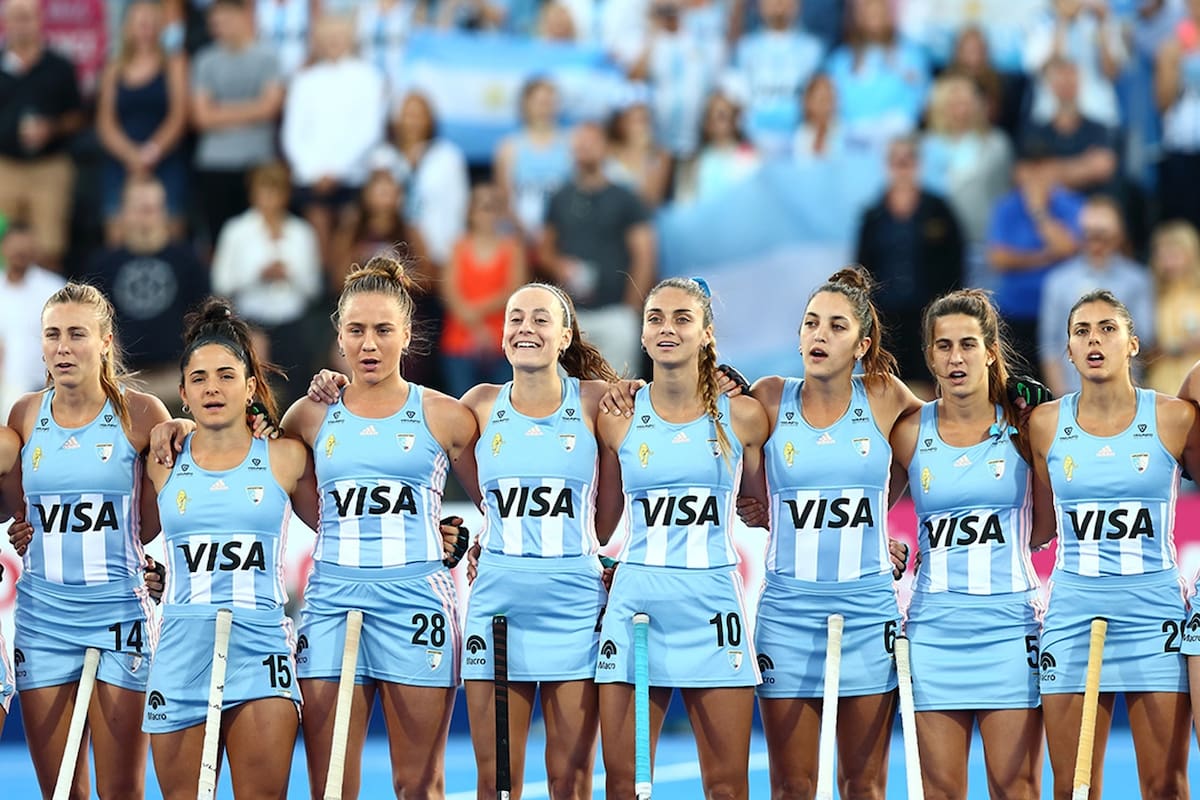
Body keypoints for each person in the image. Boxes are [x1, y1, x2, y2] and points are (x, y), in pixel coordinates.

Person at [278, 256, 480, 799]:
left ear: (407, 334)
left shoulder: (446, 416)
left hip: (417, 601)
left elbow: (499, 500)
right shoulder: (307, 416)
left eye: (384, 330)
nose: (369, 344)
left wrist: (457, 535)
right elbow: (297, 501)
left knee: (419, 784)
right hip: (332, 601)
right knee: (331, 786)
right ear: (339, 336)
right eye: (357, 330)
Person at [742, 267, 922, 799]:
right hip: (787, 614)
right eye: (811, 323)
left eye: (837, 327)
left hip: (867, 612)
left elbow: (946, 436)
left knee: (863, 787)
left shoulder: (886, 396)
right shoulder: (771, 397)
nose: (819, 335)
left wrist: (880, 517)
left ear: (862, 344)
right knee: (792, 787)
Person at [593, 276, 768, 800]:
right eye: (655, 319)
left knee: (727, 787)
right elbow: (598, 523)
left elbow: (766, 508)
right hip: (637, 603)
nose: (667, 329)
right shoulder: (616, 417)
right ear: (643, 336)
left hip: (713, 605)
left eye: (682, 319)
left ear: (707, 333)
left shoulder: (744, 417)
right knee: (623, 784)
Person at [142, 297, 317, 799]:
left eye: (225, 375)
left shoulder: (285, 456)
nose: (212, 387)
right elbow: (126, 532)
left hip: (259, 646)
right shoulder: (160, 458)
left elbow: (341, 522)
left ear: (250, 387)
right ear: (182, 393)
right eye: (198, 379)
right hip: (180, 646)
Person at [1028, 289, 1197, 800]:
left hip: (1154, 610)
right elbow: (1037, 526)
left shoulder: (1175, 418)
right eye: (1081, 331)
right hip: (1074, 612)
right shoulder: (1043, 423)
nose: (1094, 339)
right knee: (1073, 787)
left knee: (1165, 784)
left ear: (1132, 344)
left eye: (1107, 328)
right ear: (1069, 350)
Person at [458, 282, 625, 798]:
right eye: (515, 318)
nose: (525, 328)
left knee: (570, 780)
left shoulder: (598, 400)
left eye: (540, 319)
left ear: (565, 335)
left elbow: (606, 517)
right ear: (503, 334)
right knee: (496, 782)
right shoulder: (479, 404)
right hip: (498, 603)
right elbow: (481, 491)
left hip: (573, 604)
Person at [7, 282, 170, 799]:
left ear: (104, 341)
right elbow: (16, 508)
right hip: (42, 618)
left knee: (121, 790)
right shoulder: (24, 415)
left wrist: (159, 568)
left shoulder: (141, 415)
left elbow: (161, 518)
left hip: (118, 612)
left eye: (77, 334)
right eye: (52, 335)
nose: (62, 347)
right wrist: (19, 526)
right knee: (60, 792)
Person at [890, 289, 1054, 799]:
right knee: (941, 791)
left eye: (967, 344)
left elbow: (1044, 530)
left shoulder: (1028, 425)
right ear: (930, 355)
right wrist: (878, 543)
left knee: (1016, 788)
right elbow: (861, 502)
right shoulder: (909, 431)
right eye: (943, 346)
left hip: (1010, 627)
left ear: (989, 350)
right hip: (934, 630)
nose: (955, 357)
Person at [539, 121, 656, 376]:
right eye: (579, 144)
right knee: (565, 396)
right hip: (572, 317)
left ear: (606, 148)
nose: (585, 149)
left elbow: (644, 253)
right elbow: (544, 249)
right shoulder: (560, 197)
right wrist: (560, 265)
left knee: (620, 391)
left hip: (616, 311)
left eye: (591, 143)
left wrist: (631, 308)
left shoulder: (625, 197)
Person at [82, 176, 211, 406]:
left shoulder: (188, 260)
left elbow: (204, 319)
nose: (148, 215)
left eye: (154, 208)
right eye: (141, 208)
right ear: (124, 213)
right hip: (123, 381)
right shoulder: (102, 265)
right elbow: (89, 322)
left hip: (178, 378)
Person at [855, 135, 965, 395]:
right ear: (888, 165)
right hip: (886, 319)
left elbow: (955, 262)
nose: (903, 166)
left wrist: (948, 311)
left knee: (933, 386)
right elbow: (862, 270)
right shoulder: (873, 215)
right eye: (897, 160)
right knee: (885, 388)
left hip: (928, 316)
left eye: (908, 159)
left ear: (918, 164)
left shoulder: (938, 209)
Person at [211, 160, 323, 405]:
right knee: (253, 357)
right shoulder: (236, 231)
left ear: (286, 194)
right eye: (264, 190)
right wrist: (257, 275)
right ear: (253, 193)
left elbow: (315, 288)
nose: (270, 198)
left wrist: (290, 274)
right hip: (250, 321)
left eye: (276, 190)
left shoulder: (302, 233)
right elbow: (221, 282)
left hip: (292, 322)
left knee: (301, 362)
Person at [281, 12, 386, 268]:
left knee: (349, 234)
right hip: (311, 176)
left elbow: (370, 130)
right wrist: (314, 170)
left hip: (353, 174)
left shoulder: (370, 77)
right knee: (317, 233)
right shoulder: (304, 79)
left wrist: (336, 169)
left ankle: (345, 286)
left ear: (352, 38)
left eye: (338, 36)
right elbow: (292, 133)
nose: (332, 42)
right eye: (326, 37)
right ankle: (325, 287)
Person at [986, 138, 1084, 378]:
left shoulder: (1071, 204)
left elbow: (1069, 247)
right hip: (1016, 312)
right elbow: (998, 258)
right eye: (1030, 167)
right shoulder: (1006, 207)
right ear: (1018, 172)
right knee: (1018, 386)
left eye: (1043, 166)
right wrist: (1045, 256)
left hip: (1065, 311)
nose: (1036, 175)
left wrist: (1039, 211)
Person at [1038, 195, 1154, 398]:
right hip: (1072, 393)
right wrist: (1059, 400)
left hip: (1126, 394)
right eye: (1088, 234)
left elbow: (1146, 339)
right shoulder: (1058, 281)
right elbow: (1050, 345)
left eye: (1103, 234)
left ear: (1118, 235)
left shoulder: (1137, 280)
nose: (1095, 242)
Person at [190, 0, 285, 245]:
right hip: (214, 164)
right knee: (218, 240)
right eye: (215, 22)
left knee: (260, 237)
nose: (219, 26)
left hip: (257, 161)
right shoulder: (205, 60)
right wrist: (252, 108)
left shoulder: (268, 57)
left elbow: (270, 109)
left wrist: (220, 111)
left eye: (225, 19)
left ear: (244, 16)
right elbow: (202, 117)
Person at [0, 0, 84, 273]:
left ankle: (50, 315)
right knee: (3, 251)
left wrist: (51, 128)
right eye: (17, 17)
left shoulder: (60, 66)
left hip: (50, 167)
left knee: (49, 251)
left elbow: (77, 116)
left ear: (39, 20)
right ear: (6, 21)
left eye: (28, 17)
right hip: (5, 167)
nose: (22, 25)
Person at [96, 0, 189, 244]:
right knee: (117, 236)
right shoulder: (114, 67)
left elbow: (178, 115)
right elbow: (106, 123)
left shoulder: (174, 63)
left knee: (170, 234)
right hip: (121, 162)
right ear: (127, 27)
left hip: (165, 159)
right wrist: (131, 156)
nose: (145, 28)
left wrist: (151, 152)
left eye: (150, 22)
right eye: (139, 22)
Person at [440, 183, 530, 399]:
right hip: (459, 341)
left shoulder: (513, 248)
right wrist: (477, 327)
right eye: (481, 206)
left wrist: (474, 314)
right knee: (463, 407)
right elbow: (449, 291)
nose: (486, 213)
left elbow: (514, 291)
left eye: (492, 207)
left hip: (503, 341)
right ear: (470, 212)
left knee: (504, 408)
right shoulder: (457, 247)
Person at [493, 78, 573, 243]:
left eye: (550, 101)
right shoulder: (509, 147)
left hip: (562, 237)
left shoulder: (570, 144)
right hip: (520, 236)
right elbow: (503, 198)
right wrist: (526, 231)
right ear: (525, 104)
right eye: (539, 102)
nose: (545, 107)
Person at [0, 222, 65, 416]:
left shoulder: (53, 289)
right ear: (4, 249)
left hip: (42, 388)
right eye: (15, 249)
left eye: (25, 249)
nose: (20, 254)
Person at [1147, 220, 1200, 396]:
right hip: (1163, 385)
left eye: (1175, 255)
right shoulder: (1152, 295)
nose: (1169, 263)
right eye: (1164, 256)